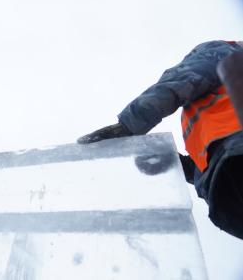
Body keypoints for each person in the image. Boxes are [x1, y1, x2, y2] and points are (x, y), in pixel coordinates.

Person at [77, 40, 243, 240]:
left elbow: (182, 79)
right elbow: (213, 154)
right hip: (226, 188)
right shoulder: (206, 110)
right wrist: (179, 165)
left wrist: (128, 127)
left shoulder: (228, 50)